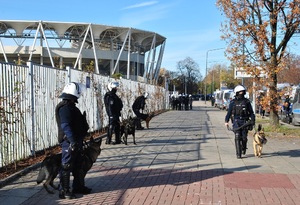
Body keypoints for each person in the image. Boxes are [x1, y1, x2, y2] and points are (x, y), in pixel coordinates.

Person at [55, 82, 90, 199]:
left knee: (78, 164)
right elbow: (65, 126)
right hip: (69, 141)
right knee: (66, 165)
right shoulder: (64, 108)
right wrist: (72, 141)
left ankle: (78, 187)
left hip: (76, 140)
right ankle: (64, 191)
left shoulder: (71, 107)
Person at [224, 85, 255, 159]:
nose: (241, 93)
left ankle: (244, 148)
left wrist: (253, 120)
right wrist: (226, 121)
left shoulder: (246, 102)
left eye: (242, 92)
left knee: (244, 137)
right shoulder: (233, 102)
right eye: (240, 92)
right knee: (237, 136)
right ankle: (238, 154)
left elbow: (251, 112)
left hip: (245, 121)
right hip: (236, 121)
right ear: (237, 93)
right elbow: (229, 112)